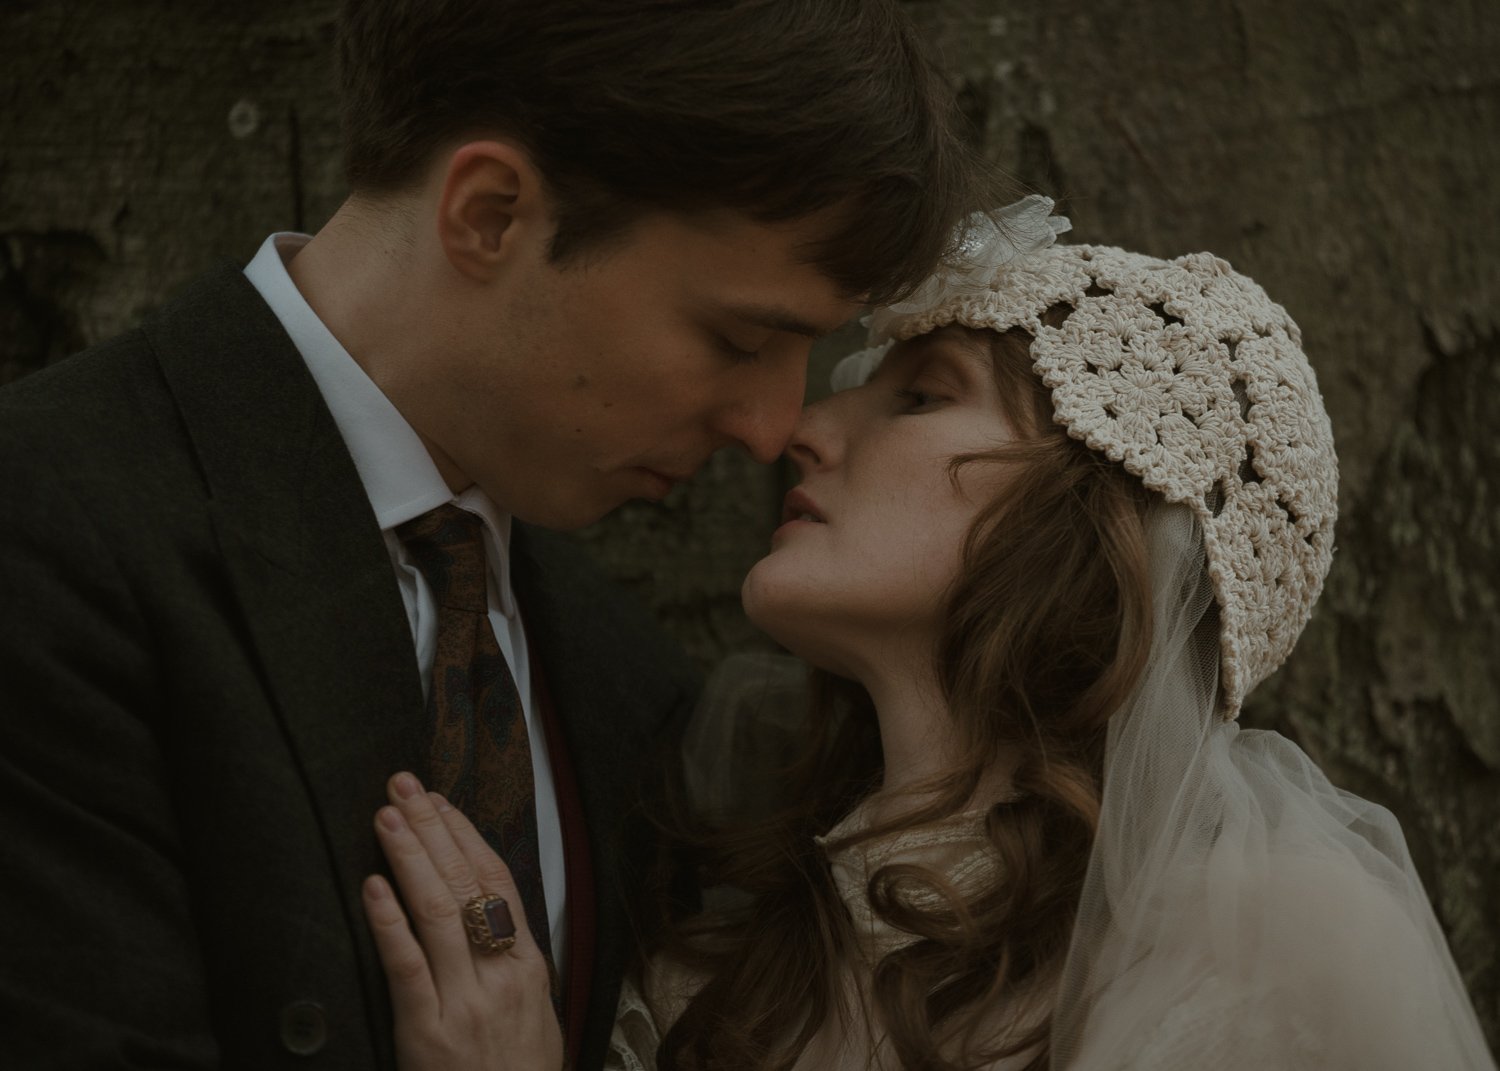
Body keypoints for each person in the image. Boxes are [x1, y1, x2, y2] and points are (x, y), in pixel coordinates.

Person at [0, 2, 991, 1068]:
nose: (768, 427)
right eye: (737, 336)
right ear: (488, 213)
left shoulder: (624, 678)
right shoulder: (51, 538)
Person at [368, 197, 1498, 1069]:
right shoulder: (717, 950)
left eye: (920, 396)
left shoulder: (1273, 935)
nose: (801, 428)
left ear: (1090, 509)